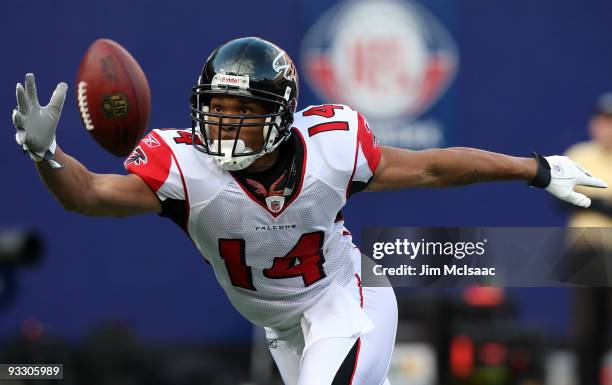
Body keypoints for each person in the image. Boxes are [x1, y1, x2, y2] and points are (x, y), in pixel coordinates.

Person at [11, 37, 607, 385]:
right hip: (280, 325)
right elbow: (88, 195)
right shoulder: (183, 166)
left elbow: (434, 166)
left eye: (241, 110)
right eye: (215, 107)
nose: (224, 123)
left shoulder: (331, 146)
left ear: (280, 113)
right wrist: (48, 155)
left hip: (347, 296)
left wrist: (536, 167)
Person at [563, 93, 612, 385]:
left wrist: (589, 199)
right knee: (586, 331)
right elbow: (562, 197)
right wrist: (603, 204)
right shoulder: (579, 154)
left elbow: (577, 197)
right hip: (587, 253)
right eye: (604, 120)